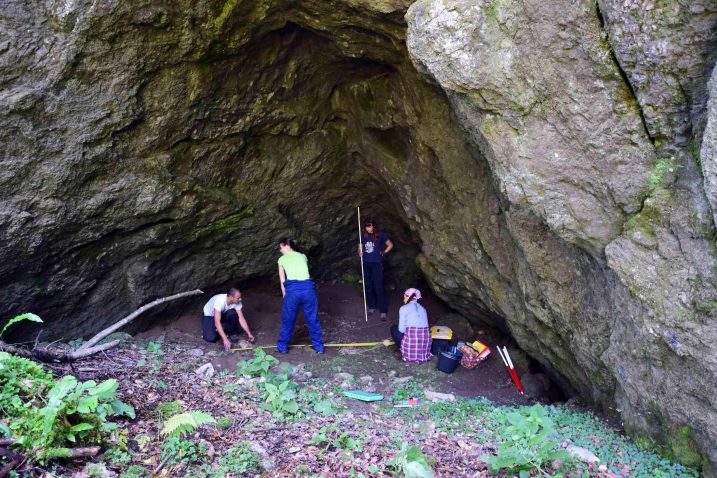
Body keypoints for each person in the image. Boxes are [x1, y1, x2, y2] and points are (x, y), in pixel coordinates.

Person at [277, 238, 324, 354]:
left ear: (287, 246)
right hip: (308, 289)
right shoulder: (303, 256)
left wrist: (284, 294)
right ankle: (319, 347)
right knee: (313, 319)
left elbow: (282, 280)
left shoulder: (281, 259)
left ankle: (282, 347)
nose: (280, 250)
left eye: (280, 247)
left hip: (293, 291)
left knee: (288, 319)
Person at [358, 217, 393, 321]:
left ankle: (383, 311)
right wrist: (360, 252)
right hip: (366, 264)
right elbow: (359, 249)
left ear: (374, 226)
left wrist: (383, 252)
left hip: (377, 264)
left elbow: (390, 245)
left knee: (379, 286)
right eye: (366, 226)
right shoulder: (362, 236)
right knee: (368, 286)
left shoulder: (381, 235)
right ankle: (372, 306)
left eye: (369, 226)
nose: (368, 228)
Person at [390, 288, 432, 363]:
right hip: (424, 349)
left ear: (408, 296)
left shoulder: (403, 308)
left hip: (410, 350)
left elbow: (401, 330)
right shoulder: (423, 309)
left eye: (405, 296)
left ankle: (402, 349)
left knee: (394, 328)